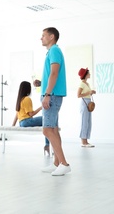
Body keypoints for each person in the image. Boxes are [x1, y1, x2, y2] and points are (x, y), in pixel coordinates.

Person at [39, 27, 71, 176]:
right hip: (52, 94)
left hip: (52, 95)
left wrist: (47, 94)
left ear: (52, 37)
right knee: (53, 130)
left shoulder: (54, 51)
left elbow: (54, 72)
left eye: (43, 36)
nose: (41, 38)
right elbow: (50, 74)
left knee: (47, 130)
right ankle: (57, 163)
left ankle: (64, 164)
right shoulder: (52, 52)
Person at [12, 81, 51, 156]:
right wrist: (41, 107)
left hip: (21, 122)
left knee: (46, 121)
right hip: (27, 121)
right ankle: (47, 145)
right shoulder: (27, 99)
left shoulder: (20, 99)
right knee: (47, 119)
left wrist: (12, 125)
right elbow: (31, 114)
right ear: (28, 89)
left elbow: (17, 114)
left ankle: (47, 145)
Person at [77, 68, 96, 147]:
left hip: (88, 102)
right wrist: (89, 92)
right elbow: (78, 95)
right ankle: (83, 142)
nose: (90, 74)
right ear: (85, 75)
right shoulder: (82, 84)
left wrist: (91, 92)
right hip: (84, 103)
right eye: (88, 73)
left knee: (88, 122)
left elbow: (87, 93)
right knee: (84, 122)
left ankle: (86, 141)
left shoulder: (87, 84)